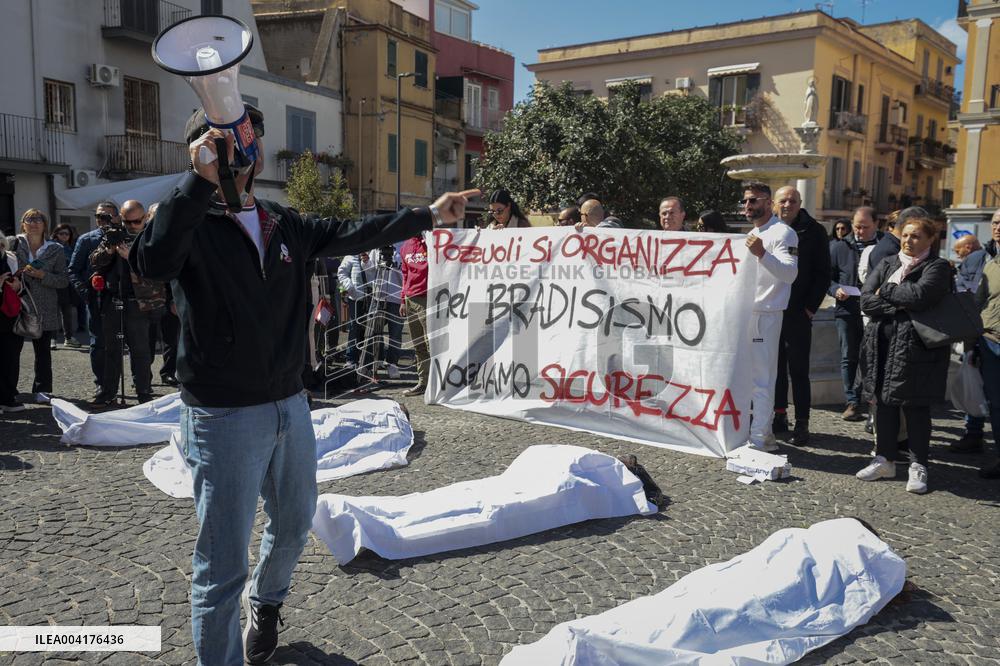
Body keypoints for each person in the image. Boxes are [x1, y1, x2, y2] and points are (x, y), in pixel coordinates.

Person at [129, 105, 473, 665]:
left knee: (293, 522)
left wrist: (427, 216)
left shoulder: (280, 221)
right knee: (221, 565)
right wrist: (197, 182)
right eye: (229, 141)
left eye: (250, 139)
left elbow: (353, 232)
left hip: (290, 402)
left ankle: (266, 605)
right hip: (222, 415)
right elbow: (154, 260)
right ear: (202, 151)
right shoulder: (186, 220)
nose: (247, 148)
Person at [855, 216, 951, 494]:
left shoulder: (938, 267)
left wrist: (886, 291)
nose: (909, 241)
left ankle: (918, 464)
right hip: (881, 345)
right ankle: (885, 458)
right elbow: (865, 300)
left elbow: (920, 297)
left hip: (918, 349)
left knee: (916, 406)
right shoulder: (888, 263)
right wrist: (895, 304)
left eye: (916, 236)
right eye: (906, 235)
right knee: (883, 402)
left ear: (930, 239)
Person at [741, 183, 798, 451]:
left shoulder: (784, 233)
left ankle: (761, 438)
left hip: (767, 314)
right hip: (745, 312)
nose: (748, 206)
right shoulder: (753, 233)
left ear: (768, 202)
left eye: (753, 201)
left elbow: (790, 274)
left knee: (762, 379)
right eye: (745, 201)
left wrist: (762, 253)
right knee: (745, 377)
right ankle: (752, 431)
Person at [771, 186, 830, 445]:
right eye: (783, 201)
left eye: (792, 201)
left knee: (798, 370)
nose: (787, 205)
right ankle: (779, 415)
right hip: (772, 311)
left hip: (797, 312)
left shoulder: (814, 231)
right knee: (774, 369)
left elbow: (823, 273)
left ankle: (803, 422)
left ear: (800, 203)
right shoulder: (768, 229)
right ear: (774, 204)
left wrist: (809, 308)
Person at [89, 203, 162, 406]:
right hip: (114, 298)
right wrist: (110, 250)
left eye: (137, 221)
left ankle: (144, 392)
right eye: (127, 221)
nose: (132, 225)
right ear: (120, 218)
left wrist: (130, 256)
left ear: (146, 217)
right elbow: (94, 261)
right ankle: (108, 391)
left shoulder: (153, 236)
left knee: (141, 351)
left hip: (140, 300)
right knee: (111, 349)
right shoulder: (113, 235)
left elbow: (158, 267)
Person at [828, 206, 883, 421]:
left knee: (873, 357)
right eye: (856, 226)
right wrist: (835, 289)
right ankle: (852, 401)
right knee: (848, 356)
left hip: (875, 310)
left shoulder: (885, 246)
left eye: (864, 227)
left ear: (876, 224)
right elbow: (827, 277)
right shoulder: (839, 247)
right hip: (847, 309)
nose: (859, 231)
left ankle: (872, 403)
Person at [13, 209, 69, 403]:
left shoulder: (55, 250)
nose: (34, 223)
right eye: (29, 219)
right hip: (16, 304)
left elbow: (63, 280)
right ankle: (9, 389)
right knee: (11, 351)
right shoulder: (13, 244)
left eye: (38, 219)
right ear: (23, 224)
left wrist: (43, 276)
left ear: (45, 225)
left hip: (45, 306)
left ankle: (43, 389)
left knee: (43, 352)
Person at [70, 201, 120, 399]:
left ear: (116, 217)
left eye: (108, 216)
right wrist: (86, 293)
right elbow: (73, 270)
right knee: (98, 342)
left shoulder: (124, 236)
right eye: (99, 216)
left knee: (122, 342)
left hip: (120, 296)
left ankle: (132, 382)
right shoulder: (86, 239)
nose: (103, 220)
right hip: (96, 298)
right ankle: (101, 383)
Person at [952, 234, 991, 453]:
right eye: (994, 223)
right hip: (976, 329)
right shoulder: (978, 258)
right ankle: (973, 432)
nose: (997, 227)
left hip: (990, 331)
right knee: (973, 380)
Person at [975, 242, 1000, 478]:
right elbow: (979, 302)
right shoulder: (991, 265)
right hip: (991, 340)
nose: (998, 228)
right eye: (995, 223)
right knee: (996, 404)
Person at [399, 234, 430, 395]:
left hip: (428, 298)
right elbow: (405, 274)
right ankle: (423, 382)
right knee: (419, 345)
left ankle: (436, 384)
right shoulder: (405, 246)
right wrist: (403, 299)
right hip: (411, 298)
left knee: (431, 343)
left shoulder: (430, 241)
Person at [0, 231, 25, 413]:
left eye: (1, 244)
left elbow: (22, 284)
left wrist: (18, 285)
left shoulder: (11, 259)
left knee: (10, 357)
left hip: (10, 315)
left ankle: (8, 397)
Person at [50, 223, 82, 348]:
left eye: (67, 234)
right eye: (61, 233)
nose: (64, 236)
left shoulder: (71, 246)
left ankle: (68, 338)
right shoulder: (51, 246)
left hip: (67, 283)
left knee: (67, 311)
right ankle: (52, 339)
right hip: (53, 281)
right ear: (56, 234)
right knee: (53, 311)